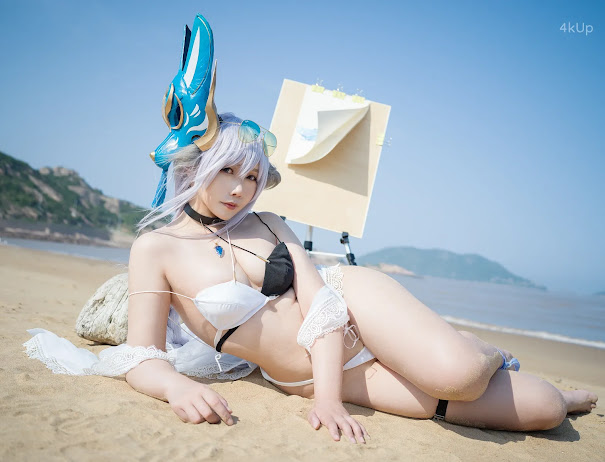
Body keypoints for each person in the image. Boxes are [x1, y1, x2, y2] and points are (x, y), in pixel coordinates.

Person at [123, 112, 597, 443]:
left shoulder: (267, 222)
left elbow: (322, 304)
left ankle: (483, 350)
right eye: (228, 170)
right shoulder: (156, 248)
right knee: (546, 409)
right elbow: (141, 355)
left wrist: (329, 402)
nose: (240, 189)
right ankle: (534, 380)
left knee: (459, 376)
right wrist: (176, 387)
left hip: (355, 307)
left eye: (252, 177)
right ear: (198, 166)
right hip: (319, 375)